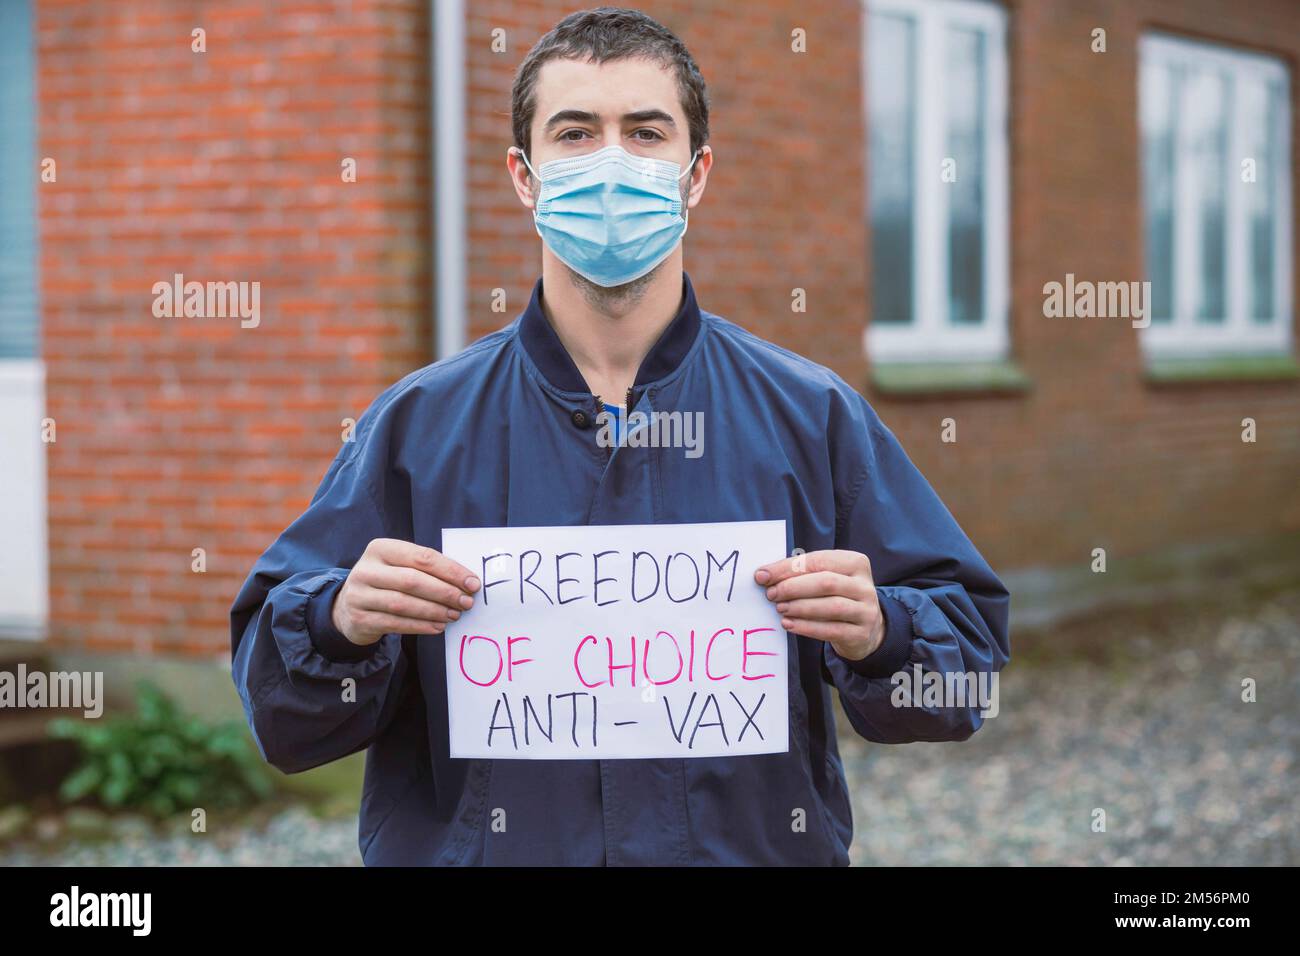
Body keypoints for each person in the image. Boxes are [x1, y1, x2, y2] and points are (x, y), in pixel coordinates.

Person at [230, 6, 1010, 866]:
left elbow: (965, 673)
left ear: (696, 173)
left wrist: (883, 632)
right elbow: (280, 714)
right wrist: (339, 621)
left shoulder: (810, 416)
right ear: (525, 178)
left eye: (645, 132)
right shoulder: (417, 428)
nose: (611, 163)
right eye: (574, 134)